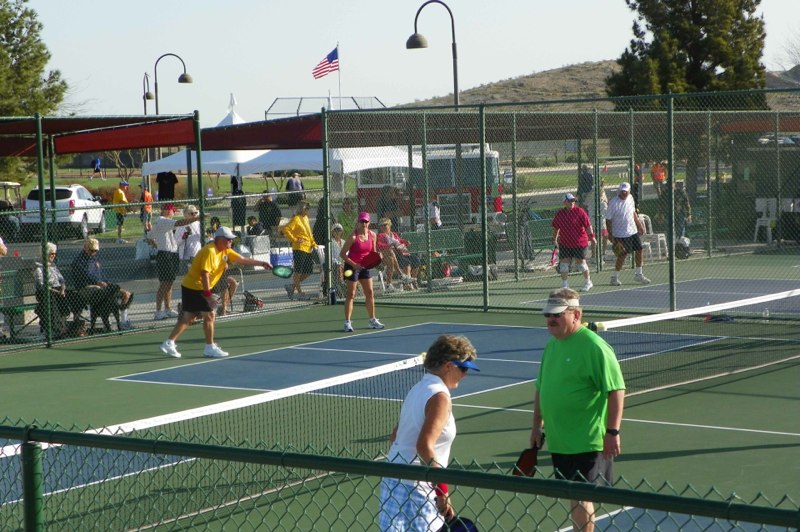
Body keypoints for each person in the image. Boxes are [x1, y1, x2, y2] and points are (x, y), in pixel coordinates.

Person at [531, 289, 625, 532]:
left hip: (587, 439)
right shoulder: (552, 346)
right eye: (548, 315)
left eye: (558, 315)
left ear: (576, 314)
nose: (551, 320)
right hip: (560, 440)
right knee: (574, 496)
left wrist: (612, 431)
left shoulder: (594, 346)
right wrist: (536, 426)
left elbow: (616, 389)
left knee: (582, 496)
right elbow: (541, 389)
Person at [378, 334, 479, 531]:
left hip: (393, 480)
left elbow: (395, 436)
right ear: (449, 365)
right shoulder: (440, 397)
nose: (465, 374)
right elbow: (424, 446)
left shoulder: (418, 388)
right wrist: (442, 491)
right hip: (417, 488)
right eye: (464, 368)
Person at [159, 226, 272, 359]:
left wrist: (262, 263)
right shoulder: (210, 251)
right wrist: (208, 296)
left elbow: (242, 259)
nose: (231, 242)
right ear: (219, 239)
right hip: (197, 287)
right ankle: (209, 347)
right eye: (228, 240)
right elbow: (204, 274)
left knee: (188, 317)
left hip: (191, 286)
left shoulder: (225, 250)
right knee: (210, 316)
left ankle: (169, 342)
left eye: (231, 240)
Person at [149, 204, 198, 321]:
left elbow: (150, 236)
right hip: (165, 255)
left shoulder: (163, 222)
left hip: (171, 254)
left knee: (170, 283)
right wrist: (196, 218)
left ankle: (167, 309)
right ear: (166, 210)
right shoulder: (162, 220)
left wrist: (156, 244)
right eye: (172, 211)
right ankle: (158, 311)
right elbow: (179, 223)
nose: (173, 213)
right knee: (164, 283)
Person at [71, 238, 134, 328]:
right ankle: (107, 321)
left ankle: (124, 321)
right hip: (85, 288)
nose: (93, 252)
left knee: (126, 294)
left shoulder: (95, 259)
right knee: (103, 292)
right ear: (85, 247)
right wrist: (97, 282)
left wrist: (107, 284)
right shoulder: (78, 262)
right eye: (91, 250)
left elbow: (102, 276)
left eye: (95, 250)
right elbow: (85, 276)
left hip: (102, 286)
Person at [340, 211, 384, 332]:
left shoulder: (373, 235)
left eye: (366, 221)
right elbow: (342, 254)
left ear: (369, 223)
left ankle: (372, 320)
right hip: (351, 266)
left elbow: (373, 253)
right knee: (351, 294)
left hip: (364, 267)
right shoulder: (353, 237)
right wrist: (355, 265)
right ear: (358, 223)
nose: (364, 223)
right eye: (361, 221)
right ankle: (347, 323)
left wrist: (378, 256)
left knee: (370, 293)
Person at [605, 182, 650, 286]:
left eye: (626, 191)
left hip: (632, 231)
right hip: (620, 234)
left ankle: (638, 274)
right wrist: (610, 235)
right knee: (622, 255)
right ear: (619, 191)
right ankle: (614, 277)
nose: (624, 193)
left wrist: (639, 225)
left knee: (639, 250)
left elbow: (633, 213)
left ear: (629, 191)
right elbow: (608, 220)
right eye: (622, 192)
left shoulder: (630, 198)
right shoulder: (613, 203)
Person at [34, 242, 82, 336]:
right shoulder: (38, 267)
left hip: (59, 289)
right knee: (53, 299)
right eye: (52, 254)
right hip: (45, 292)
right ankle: (57, 329)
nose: (54, 256)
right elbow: (42, 285)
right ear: (46, 253)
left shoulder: (53, 266)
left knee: (77, 296)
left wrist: (63, 289)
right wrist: (57, 291)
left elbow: (61, 279)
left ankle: (75, 323)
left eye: (55, 254)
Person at [552, 193, 595, 292]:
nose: (572, 203)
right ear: (564, 202)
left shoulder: (580, 211)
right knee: (563, 265)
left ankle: (588, 282)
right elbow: (556, 228)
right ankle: (565, 285)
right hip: (565, 243)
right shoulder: (560, 214)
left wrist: (592, 237)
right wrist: (554, 239)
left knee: (581, 264)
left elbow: (588, 226)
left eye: (573, 201)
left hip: (580, 243)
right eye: (570, 201)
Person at [281, 200, 318, 300]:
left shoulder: (305, 218)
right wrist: (295, 239)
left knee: (308, 271)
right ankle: (300, 293)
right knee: (298, 272)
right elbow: (286, 229)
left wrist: (313, 243)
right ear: (302, 209)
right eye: (306, 208)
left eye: (308, 209)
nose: (308, 210)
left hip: (307, 248)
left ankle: (292, 287)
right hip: (299, 248)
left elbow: (309, 233)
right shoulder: (296, 219)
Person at [178, 204, 202, 271]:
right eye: (191, 213)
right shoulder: (181, 224)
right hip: (186, 255)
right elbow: (178, 241)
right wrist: (186, 233)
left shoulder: (199, 223)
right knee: (187, 274)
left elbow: (202, 237)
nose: (194, 215)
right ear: (186, 215)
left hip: (197, 251)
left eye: (196, 213)